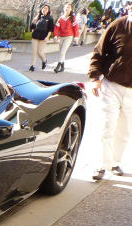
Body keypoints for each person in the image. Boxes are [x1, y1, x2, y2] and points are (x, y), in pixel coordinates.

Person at [88, 13, 131, 180]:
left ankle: (115, 162)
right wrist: (94, 77)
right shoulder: (118, 25)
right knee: (107, 124)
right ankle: (101, 165)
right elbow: (99, 51)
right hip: (111, 84)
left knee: (125, 130)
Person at [53, 3, 80, 73]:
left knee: (62, 52)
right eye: (66, 7)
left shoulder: (72, 18)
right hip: (61, 37)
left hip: (69, 37)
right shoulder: (60, 18)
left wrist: (76, 37)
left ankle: (58, 66)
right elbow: (56, 28)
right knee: (62, 53)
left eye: (68, 7)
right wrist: (55, 36)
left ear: (71, 9)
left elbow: (76, 28)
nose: (67, 8)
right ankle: (62, 67)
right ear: (64, 8)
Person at [29, 4, 55, 71]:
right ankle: (32, 65)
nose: (44, 9)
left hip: (44, 37)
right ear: (41, 9)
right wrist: (33, 31)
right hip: (35, 36)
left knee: (40, 52)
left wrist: (47, 37)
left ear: (48, 10)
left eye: (46, 8)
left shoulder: (50, 18)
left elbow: (51, 29)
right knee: (34, 52)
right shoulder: (37, 17)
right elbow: (32, 27)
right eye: (43, 8)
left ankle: (44, 60)